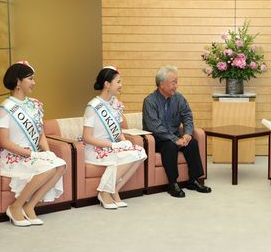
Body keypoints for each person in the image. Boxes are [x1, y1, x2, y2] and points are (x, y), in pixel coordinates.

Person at [0, 61, 66, 227]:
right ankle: (15, 206)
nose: (34, 82)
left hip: (34, 155)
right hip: (14, 156)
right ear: (18, 82)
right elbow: (4, 142)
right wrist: (32, 154)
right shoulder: (5, 108)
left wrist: (47, 152)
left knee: (60, 165)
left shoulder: (36, 105)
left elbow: (41, 134)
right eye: (30, 78)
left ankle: (30, 206)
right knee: (48, 167)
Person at [82, 66, 146, 209]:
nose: (121, 85)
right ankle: (104, 192)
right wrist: (114, 146)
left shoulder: (115, 104)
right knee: (127, 156)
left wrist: (123, 142)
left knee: (140, 152)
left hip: (112, 147)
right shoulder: (93, 107)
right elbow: (86, 137)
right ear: (107, 84)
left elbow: (117, 130)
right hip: (95, 149)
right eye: (118, 81)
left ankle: (115, 190)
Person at [142, 65, 211, 198]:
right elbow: (155, 127)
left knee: (192, 144)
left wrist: (187, 134)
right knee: (170, 146)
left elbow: (187, 116)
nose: (176, 85)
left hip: (176, 136)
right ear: (161, 84)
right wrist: (175, 139)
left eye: (176, 82)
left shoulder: (179, 98)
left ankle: (194, 180)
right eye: (173, 82)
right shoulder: (150, 101)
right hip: (157, 139)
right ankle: (173, 184)